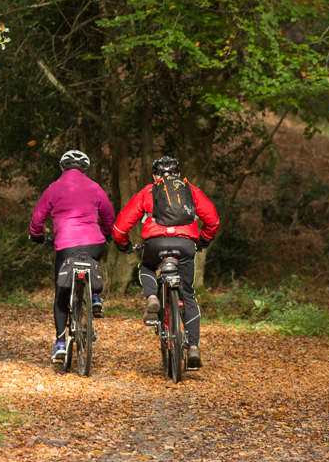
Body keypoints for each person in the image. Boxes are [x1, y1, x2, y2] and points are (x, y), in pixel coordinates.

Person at [112, 156, 220, 369]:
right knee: (188, 295)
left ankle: (152, 296)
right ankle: (193, 348)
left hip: (155, 245)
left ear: (154, 175)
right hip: (186, 245)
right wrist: (204, 239)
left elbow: (121, 226)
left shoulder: (149, 191)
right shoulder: (190, 190)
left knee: (146, 266)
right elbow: (213, 219)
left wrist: (123, 244)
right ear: (178, 174)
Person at [30, 150, 115, 362]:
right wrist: (106, 233)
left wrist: (37, 236)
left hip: (66, 246)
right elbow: (108, 215)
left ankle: (60, 342)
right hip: (94, 244)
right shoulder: (95, 188)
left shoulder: (54, 188)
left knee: (61, 291)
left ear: (62, 167)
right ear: (85, 168)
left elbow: (38, 217)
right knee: (94, 258)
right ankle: (95, 296)